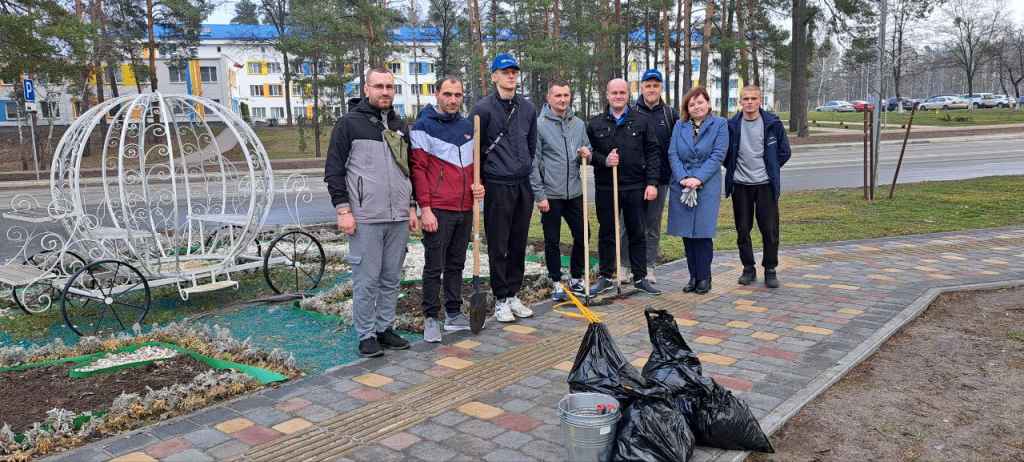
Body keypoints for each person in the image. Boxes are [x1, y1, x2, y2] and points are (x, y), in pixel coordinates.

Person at [325, 67, 419, 357]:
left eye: (390, 87)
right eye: (378, 86)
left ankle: (385, 328)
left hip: (399, 217)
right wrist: (343, 210)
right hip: (365, 217)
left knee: (391, 277)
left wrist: (412, 207)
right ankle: (366, 335)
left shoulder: (400, 126)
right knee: (366, 279)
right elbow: (334, 171)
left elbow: (409, 170)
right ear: (366, 89)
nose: (385, 92)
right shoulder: (349, 125)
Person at [410, 77, 486, 343]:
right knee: (434, 266)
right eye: (447, 94)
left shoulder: (468, 127)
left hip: (464, 207)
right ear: (436, 94)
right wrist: (425, 208)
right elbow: (418, 171)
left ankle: (453, 314)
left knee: (456, 263)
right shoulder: (422, 127)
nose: (453, 100)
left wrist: (479, 187)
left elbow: (474, 167)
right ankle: (431, 317)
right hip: (438, 208)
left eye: (458, 95)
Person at [471, 53, 538, 322]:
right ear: (494, 76)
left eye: (514, 71)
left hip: (522, 184)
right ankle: (500, 298)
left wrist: (522, 166)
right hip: (498, 185)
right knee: (499, 244)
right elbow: (475, 150)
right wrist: (482, 180)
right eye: (505, 71)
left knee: (518, 242)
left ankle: (513, 293)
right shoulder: (483, 109)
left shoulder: (528, 108)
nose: (511, 76)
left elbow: (531, 145)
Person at [586, 78, 663, 296]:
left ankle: (640, 277)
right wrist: (603, 160)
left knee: (637, 231)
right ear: (607, 95)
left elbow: (653, 153)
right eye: (614, 93)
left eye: (622, 92)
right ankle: (606, 277)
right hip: (606, 187)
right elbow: (588, 154)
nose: (618, 96)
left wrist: (652, 183)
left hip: (635, 186)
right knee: (607, 232)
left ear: (628, 95)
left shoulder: (641, 121)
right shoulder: (595, 124)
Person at [530, 79, 592, 301]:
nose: (563, 100)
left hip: (574, 191)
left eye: (566, 95)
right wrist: (540, 195)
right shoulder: (539, 125)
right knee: (552, 239)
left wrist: (587, 152)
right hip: (551, 194)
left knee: (584, 234)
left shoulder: (578, 124)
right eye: (558, 96)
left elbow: (587, 148)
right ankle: (556, 280)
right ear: (549, 98)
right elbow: (533, 162)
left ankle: (576, 277)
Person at [725, 85, 791, 288]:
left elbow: (784, 151)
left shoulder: (772, 123)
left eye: (753, 98)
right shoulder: (732, 125)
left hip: (765, 186)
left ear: (760, 100)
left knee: (770, 230)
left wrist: (770, 168)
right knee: (743, 230)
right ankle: (748, 268)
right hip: (740, 186)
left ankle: (770, 269)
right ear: (740, 101)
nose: (749, 102)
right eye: (745, 99)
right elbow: (725, 154)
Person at [666, 86, 728, 295]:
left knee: (702, 234)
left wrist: (698, 178)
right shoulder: (679, 126)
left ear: (708, 103)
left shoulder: (720, 124)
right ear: (687, 108)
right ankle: (692, 276)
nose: (696, 106)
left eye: (700, 102)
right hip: (681, 186)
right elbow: (673, 153)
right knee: (687, 234)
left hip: (706, 186)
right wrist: (684, 178)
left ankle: (704, 277)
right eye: (692, 104)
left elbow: (718, 155)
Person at [620, 69, 679, 284]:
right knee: (628, 224)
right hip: (634, 180)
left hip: (660, 180)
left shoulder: (670, 114)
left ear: (660, 88)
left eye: (655, 85)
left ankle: (648, 266)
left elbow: (676, 146)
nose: (652, 89)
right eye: (648, 85)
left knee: (652, 226)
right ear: (641, 87)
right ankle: (625, 266)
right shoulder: (631, 111)